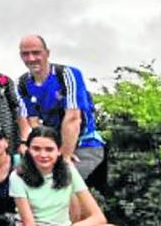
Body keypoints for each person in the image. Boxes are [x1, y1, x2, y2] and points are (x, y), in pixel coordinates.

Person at [17, 35, 107, 182]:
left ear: (47, 53)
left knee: (64, 184)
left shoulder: (67, 75)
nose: (31, 58)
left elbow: (73, 119)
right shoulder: (22, 83)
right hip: (52, 148)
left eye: (36, 53)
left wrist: (64, 157)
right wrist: (49, 152)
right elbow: (33, 123)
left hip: (84, 145)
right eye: (25, 54)